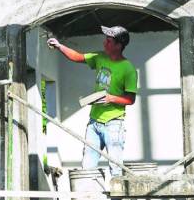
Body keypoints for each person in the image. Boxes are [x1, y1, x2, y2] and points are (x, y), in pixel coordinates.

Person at [46, 25, 138, 176]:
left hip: (114, 124)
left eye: (108, 41)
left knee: (115, 168)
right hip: (94, 122)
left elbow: (130, 99)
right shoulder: (100, 57)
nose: (104, 43)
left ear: (118, 45)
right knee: (87, 166)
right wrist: (59, 46)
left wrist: (111, 98)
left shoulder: (128, 69)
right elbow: (78, 57)